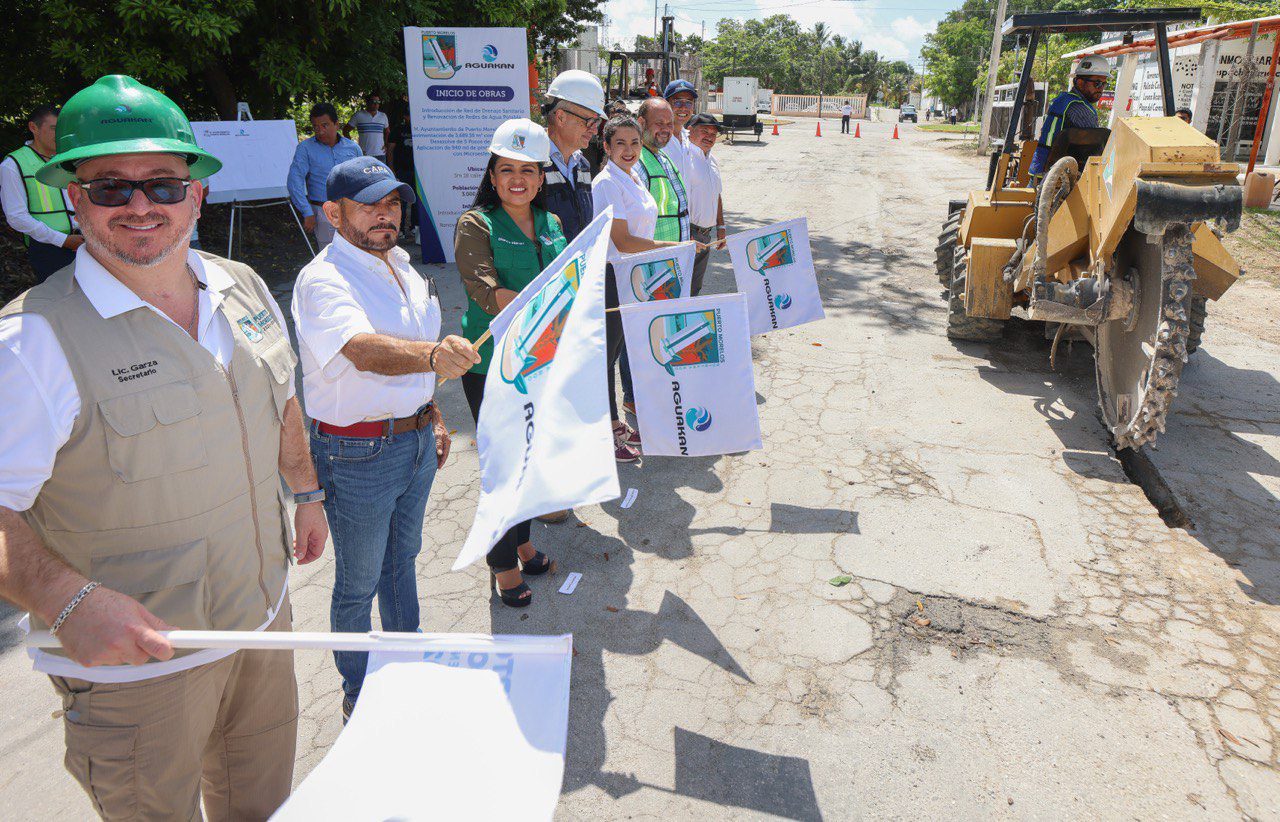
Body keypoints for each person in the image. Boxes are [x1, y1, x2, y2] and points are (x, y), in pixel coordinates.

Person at [0, 74, 328, 820]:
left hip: (263, 624)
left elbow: (280, 401)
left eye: (163, 185)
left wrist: (305, 495)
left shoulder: (243, 283)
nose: (141, 205)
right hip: (137, 676)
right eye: (110, 188)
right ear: (74, 199)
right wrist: (65, 598)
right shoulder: (29, 343)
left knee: (262, 809)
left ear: (198, 195)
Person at [292, 156, 476, 720]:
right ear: (332, 212)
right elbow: (361, 349)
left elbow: (421, 358)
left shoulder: (404, 265)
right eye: (368, 205)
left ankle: (407, 663)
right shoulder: (323, 278)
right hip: (356, 452)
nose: (383, 215)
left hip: (415, 441)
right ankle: (360, 691)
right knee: (359, 581)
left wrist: (435, 414)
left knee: (403, 562)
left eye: (391, 203)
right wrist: (432, 356)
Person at [453, 119, 568, 606]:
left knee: (530, 458)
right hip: (492, 368)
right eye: (506, 169)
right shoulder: (476, 223)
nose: (517, 179)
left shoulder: (553, 223)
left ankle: (521, 542)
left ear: (542, 177)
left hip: (539, 362)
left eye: (527, 170)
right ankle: (501, 563)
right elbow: (484, 288)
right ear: (493, 175)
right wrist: (549, 306)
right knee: (505, 466)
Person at [593, 115, 700, 458]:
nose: (629, 150)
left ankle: (615, 423)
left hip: (634, 278)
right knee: (605, 357)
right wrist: (675, 249)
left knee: (628, 350)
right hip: (612, 277)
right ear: (607, 147)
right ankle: (606, 431)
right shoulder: (606, 183)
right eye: (620, 143)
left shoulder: (633, 177)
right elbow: (622, 241)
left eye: (635, 143)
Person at [538, 69, 607, 524]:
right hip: (542, 296)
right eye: (587, 121)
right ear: (560, 116)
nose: (593, 130)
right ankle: (542, 496)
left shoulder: (581, 164)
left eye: (596, 123)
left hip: (577, 291)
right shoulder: (527, 161)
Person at [1, 104, 81, 281]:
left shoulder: (70, 158)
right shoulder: (13, 165)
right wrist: (62, 240)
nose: (59, 134)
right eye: (53, 128)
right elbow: (17, 217)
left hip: (85, 242)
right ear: (33, 128)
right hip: (49, 249)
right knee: (59, 300)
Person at [288, 102, 363, 247]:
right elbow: (294, 181)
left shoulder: (353, 148)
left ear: (336, 124)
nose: (320, 131)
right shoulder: (305, 148)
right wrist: (307, 212)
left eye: (324, 125)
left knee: (356, 252)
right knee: (328, 255)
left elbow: (362, 179)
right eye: (315, 126)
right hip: (322, 212)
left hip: (352, 209)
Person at [1028, 57, 1111, 178]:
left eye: (1104, 84)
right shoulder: (1078, 107)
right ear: (1079, 82)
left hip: (1039, 171)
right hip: (1056, 178)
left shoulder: (1062, 100)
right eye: (1097, 83)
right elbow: (1095, 148)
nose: (1101, 88)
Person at [685, 113, 726, 296]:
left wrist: (721, 226)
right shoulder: (685, 158)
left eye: (714, 133)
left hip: (705, 236)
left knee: (695, 288)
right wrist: (686, 236)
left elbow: (716, 194)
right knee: (683, 288)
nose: (709, 136)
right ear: (690, 131)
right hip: (689, 235)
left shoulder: (712, 159)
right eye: (704, 131)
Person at [386, 107, 418, 241]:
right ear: (405, 116)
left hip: (417, 172)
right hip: (401, 170)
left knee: (417, 201)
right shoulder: (397, 130)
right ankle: (400, 230)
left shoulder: (420, 128)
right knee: (402, 202)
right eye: (409, 115)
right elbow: (390, 150)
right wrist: (391, 169)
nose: (411, 118)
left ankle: (415, 228)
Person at [662, 79, 699, 184]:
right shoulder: (657, 140)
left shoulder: (689, 139)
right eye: (677, 102)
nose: (683, 108)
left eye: (688, 103)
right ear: (666, 104)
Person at [346, 94, 390, 162]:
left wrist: (386, 145)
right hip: (364, 155)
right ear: (367, 102)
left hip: (380, 154)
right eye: (374, 101)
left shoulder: (383, 116)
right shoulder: (358, 115)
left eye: (378, 102)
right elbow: (345, 130)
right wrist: (353, 147)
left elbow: (387, 132)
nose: (376, 104)